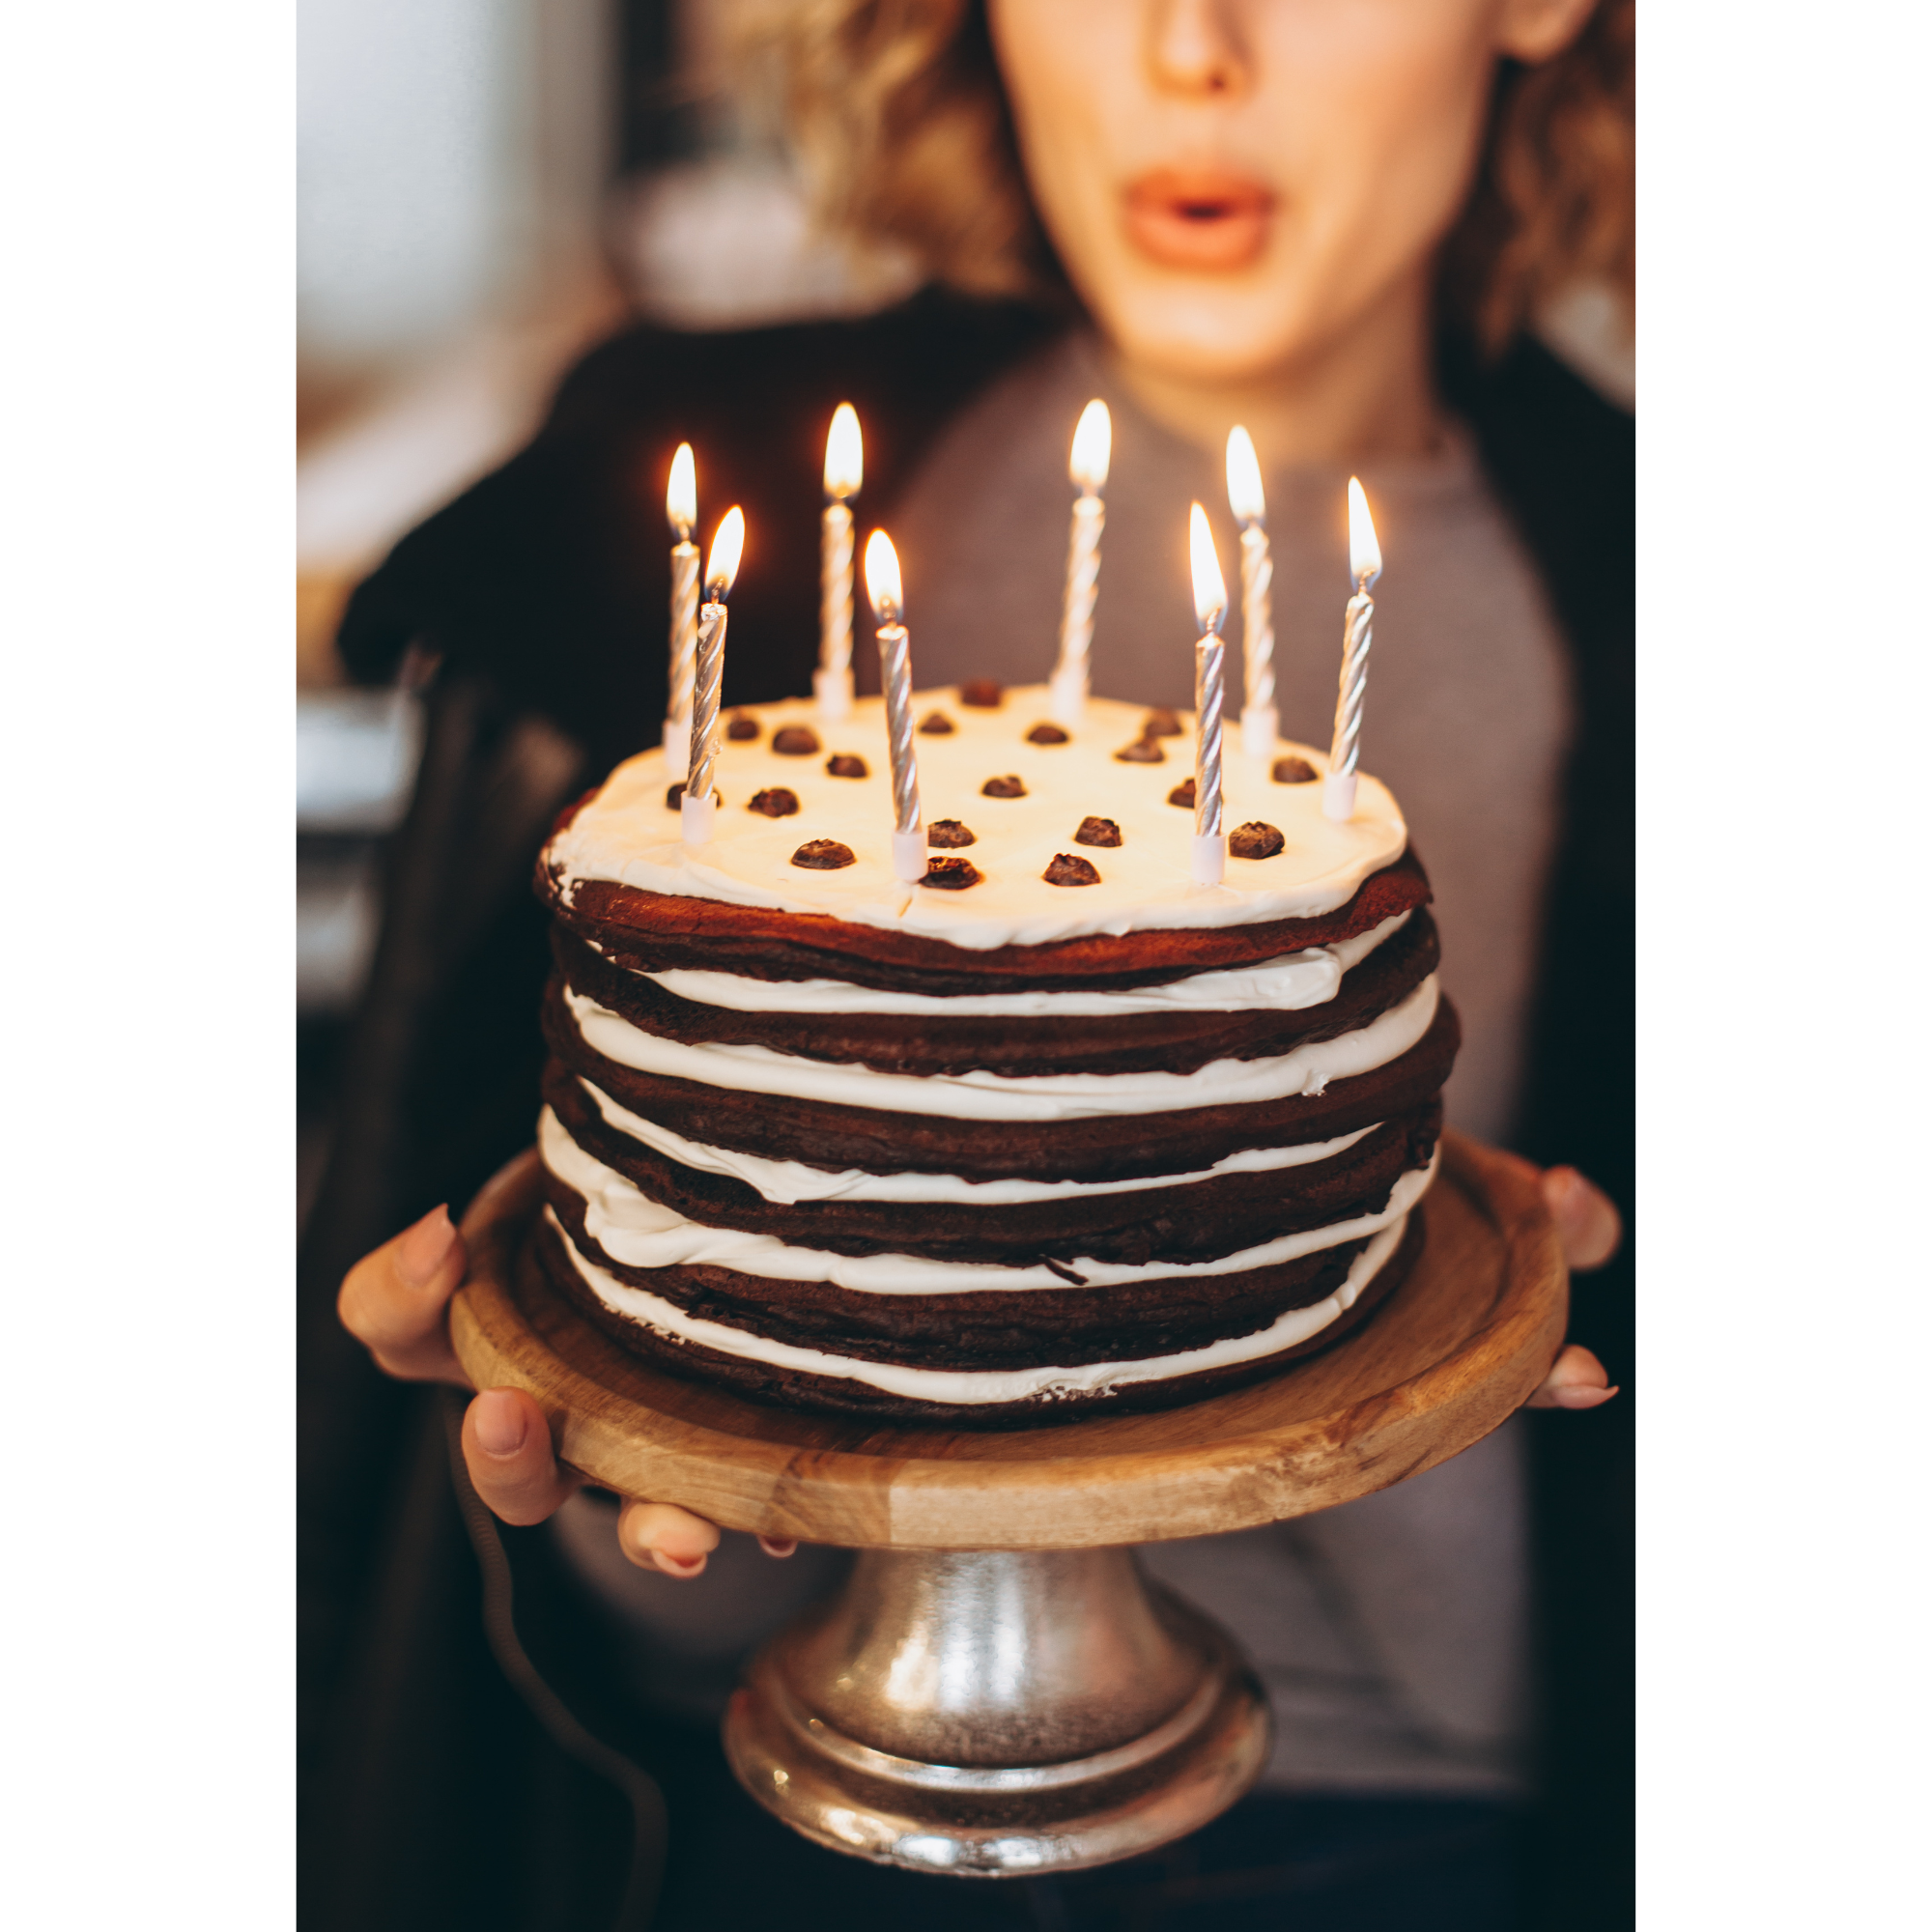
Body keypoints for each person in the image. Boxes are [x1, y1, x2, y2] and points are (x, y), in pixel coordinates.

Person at [299, 2, 1634, 1925]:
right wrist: (604, 1457)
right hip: (715, 1823)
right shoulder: (645, 531)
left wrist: (1470, 1350)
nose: (1193, 47)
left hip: (1402, 1846)